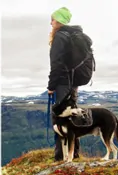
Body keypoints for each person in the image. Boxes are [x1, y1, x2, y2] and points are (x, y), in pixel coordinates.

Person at [47, 7, 83, 161]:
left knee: (61, 118)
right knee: (72, 117)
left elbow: (56, 64)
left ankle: (61, 156)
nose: (51, 23)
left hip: (62, 82)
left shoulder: (60, 37)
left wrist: (51, 85)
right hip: (73, 82)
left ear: (59, 21)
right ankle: (73, 154)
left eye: (53, 19)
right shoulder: (72, 36)